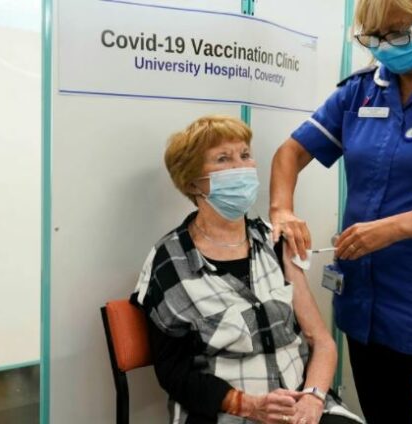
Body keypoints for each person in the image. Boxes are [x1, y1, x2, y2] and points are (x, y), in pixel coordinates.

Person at [270, 0, 412, 422]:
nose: (384, 45)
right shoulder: (361, 90)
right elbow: (291, 151)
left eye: (397, 32)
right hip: (365, 308)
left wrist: (395, 228)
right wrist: (281, 209)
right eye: (373, 36)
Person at [132, 115, 362, 424]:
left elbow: (321, 341)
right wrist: (248, 405)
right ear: (192, 181)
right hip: (225, 412)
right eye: (223, 159)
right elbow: (175, 373)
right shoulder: (170, 262)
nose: (241, 167)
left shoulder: (275, 241)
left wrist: (313, 398)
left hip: (301, 404)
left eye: (244, 155)